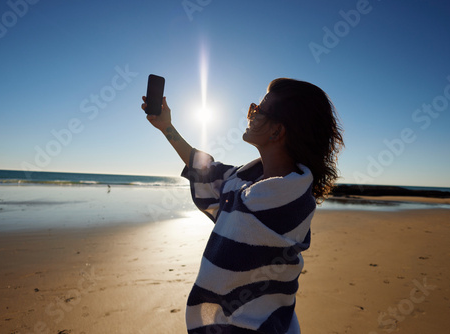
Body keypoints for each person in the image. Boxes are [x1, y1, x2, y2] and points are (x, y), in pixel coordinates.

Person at [142, 78, 344, 334]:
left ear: (276, 131)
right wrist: (166, 127)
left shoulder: (283, 201)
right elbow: (208, 170)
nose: (250, 115)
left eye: (257, 111)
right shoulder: (250, 182)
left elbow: (217, 179)